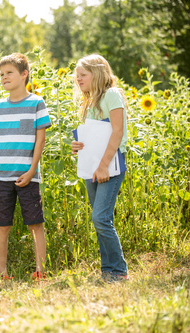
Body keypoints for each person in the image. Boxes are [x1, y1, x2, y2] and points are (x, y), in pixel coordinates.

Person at [0, 53, 51, 281]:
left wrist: (32, 170)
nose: (4, 77)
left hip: (27, 176)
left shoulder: (36, 103)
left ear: (24, 75)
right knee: (2, 225)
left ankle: (41, 271)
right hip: (2, 176)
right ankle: (2, 273)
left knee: (35, 224)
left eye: (9, 73)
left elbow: (40, 140)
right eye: (1, 74)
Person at [71, 54, 129, 282]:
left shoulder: (112, 95)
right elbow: (93, 136)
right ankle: (108, 270)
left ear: (98, 73)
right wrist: (78, 145)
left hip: (110, 165)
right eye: (77, 76)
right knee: (101, 219)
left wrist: (104, 166)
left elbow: (117, 132)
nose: (78, 80)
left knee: (101, 218)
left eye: (83, 75)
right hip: (91, 164)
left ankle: (119, 271)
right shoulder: (89, 102)